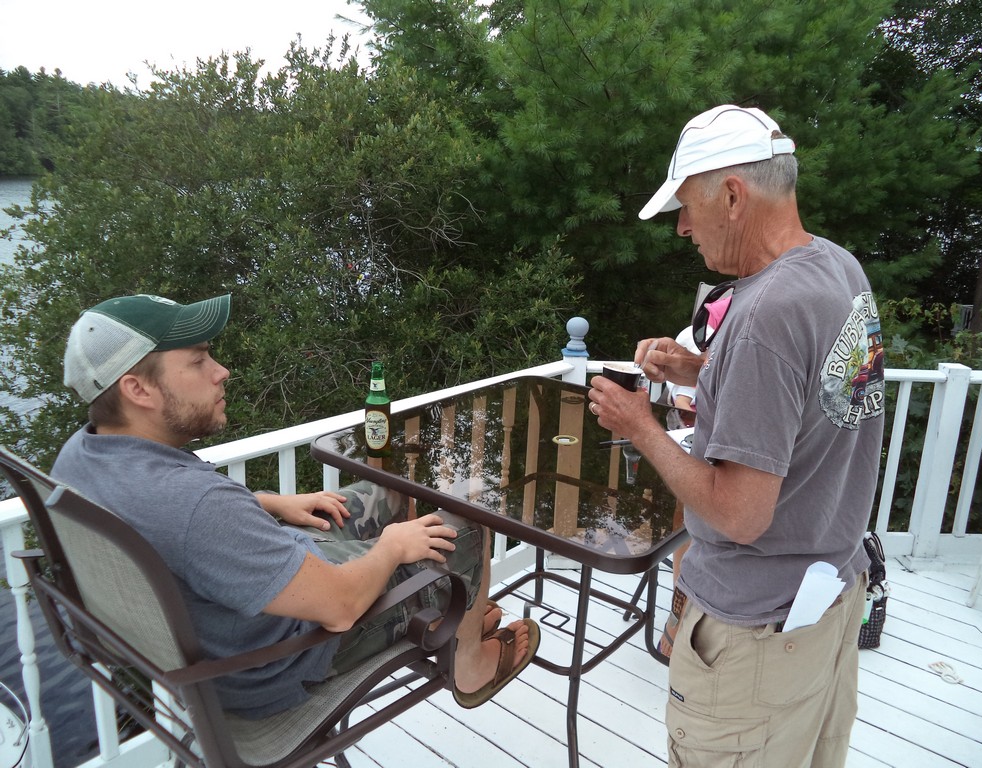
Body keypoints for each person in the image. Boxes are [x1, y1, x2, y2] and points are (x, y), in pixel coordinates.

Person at [51, 293, 540, 719]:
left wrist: (267, 501)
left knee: (394, 492)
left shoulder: (82, 456)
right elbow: (341, 609)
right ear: (137, 389)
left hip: (233, 628)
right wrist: (391, 547)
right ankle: (470, 662)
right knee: (465, 523)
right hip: (285, 658)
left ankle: (457, 620)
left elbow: (179, 523)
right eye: (198, 361)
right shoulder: (196, 505)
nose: (221, 372)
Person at [588, 104, 885, 767]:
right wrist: (704, 370)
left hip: (756, 634)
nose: (682, 228)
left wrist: (640, 427)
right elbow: (821, 401)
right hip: (831, 598)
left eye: (687, 208)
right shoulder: (839, 270)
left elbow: (741, 514)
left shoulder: (765, 315)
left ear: (731, 195)